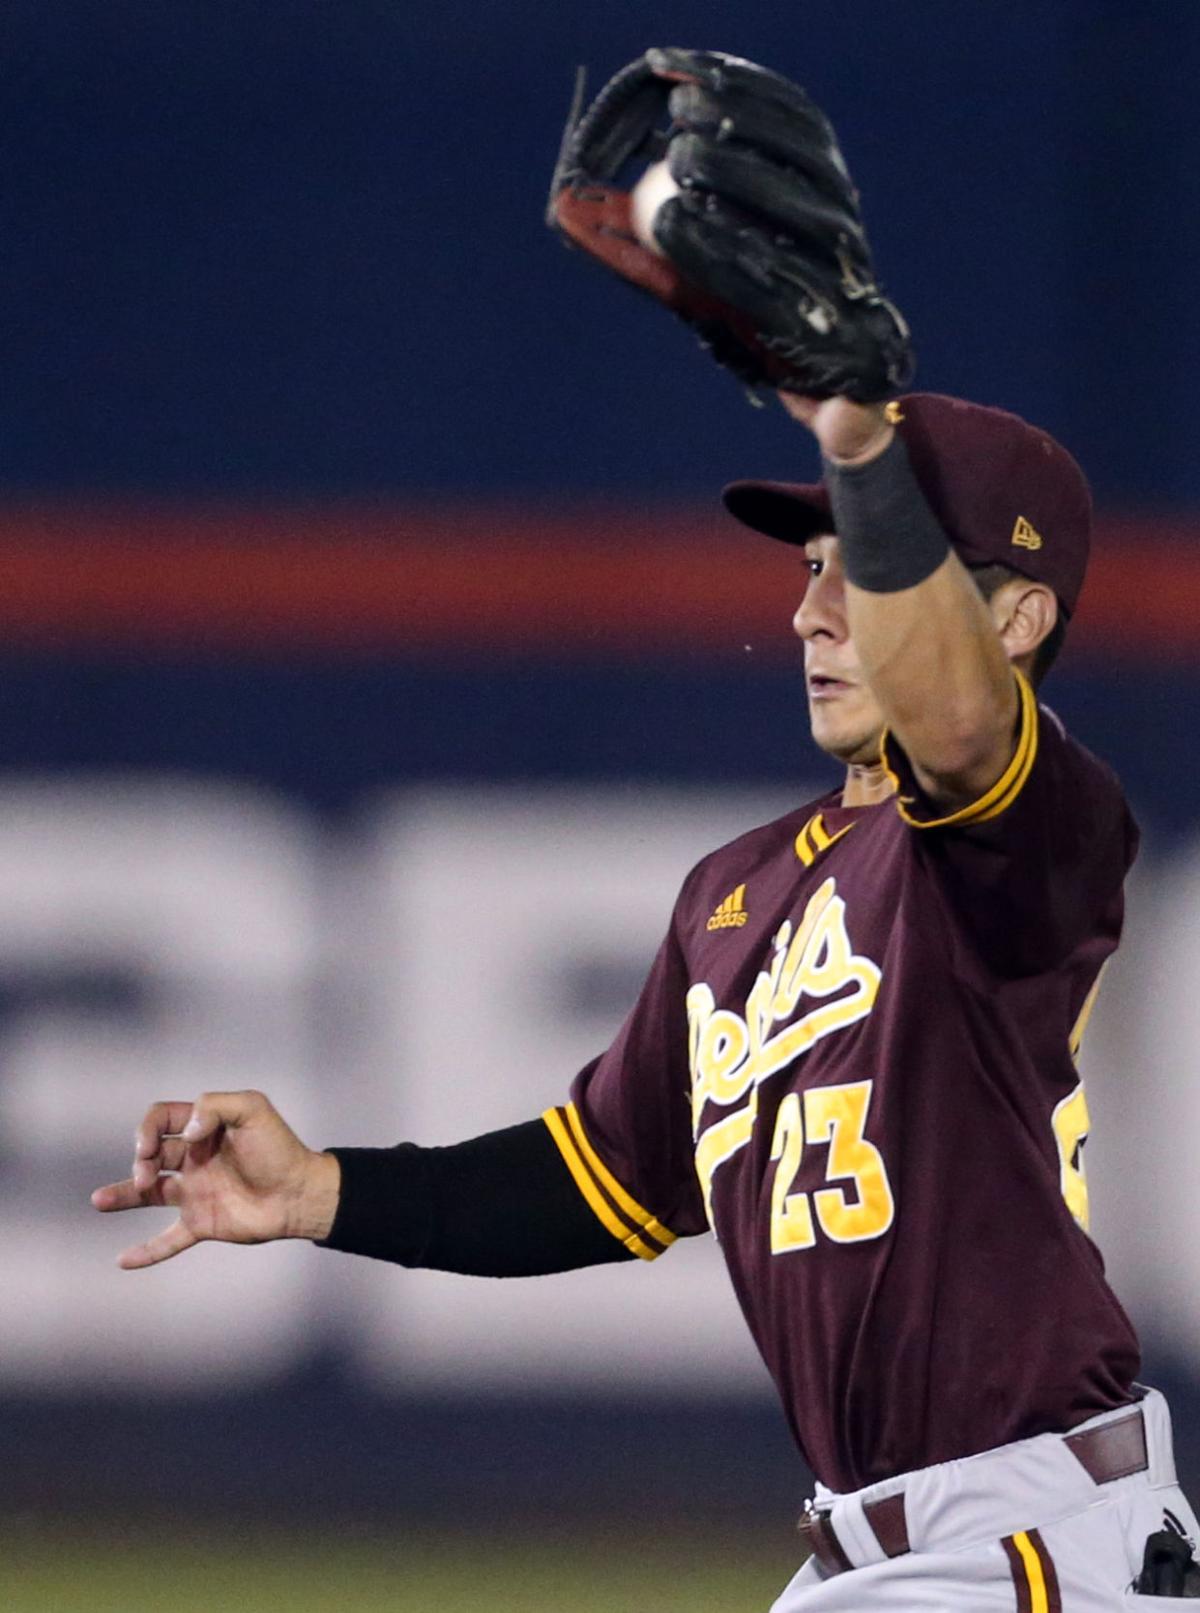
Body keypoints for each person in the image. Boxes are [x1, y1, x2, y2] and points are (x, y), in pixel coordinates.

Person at [92, 382, 1200, 1609]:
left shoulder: (1034, 845)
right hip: (881, 1552)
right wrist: (325, 1192)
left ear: (1016, 619)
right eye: (816, 565)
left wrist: (872, 462)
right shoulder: (737, 893)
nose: (812, 613)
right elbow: (599, 1173)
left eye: (874, 569)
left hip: (1029, 1541)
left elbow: (966, 733)